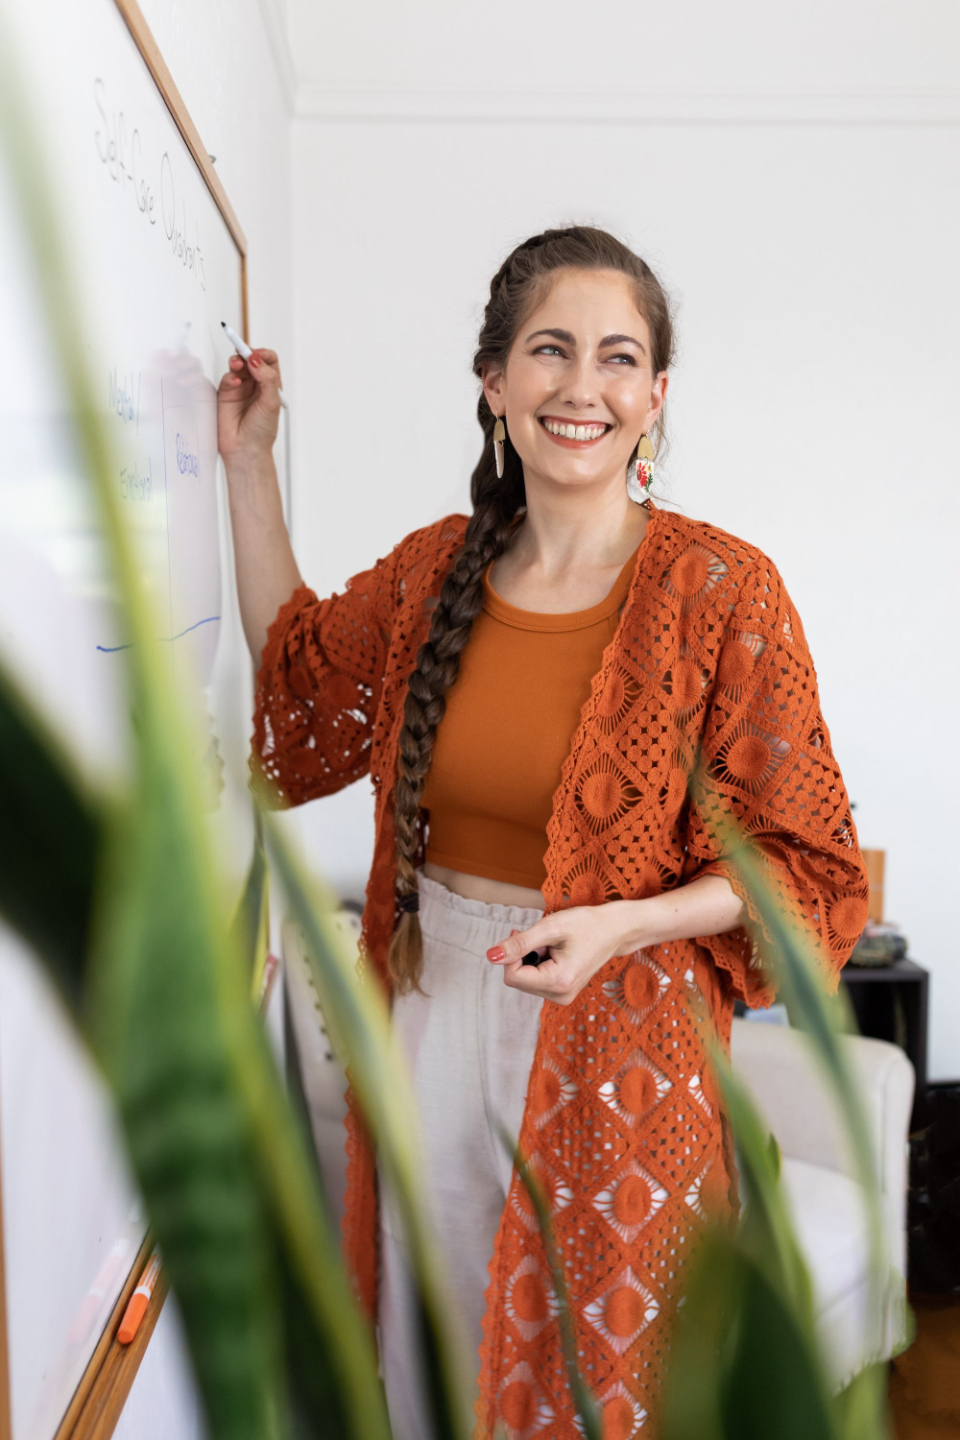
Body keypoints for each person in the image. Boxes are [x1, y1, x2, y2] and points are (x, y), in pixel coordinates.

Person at [218, 225, 870, 1440]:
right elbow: (299, 674)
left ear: (656, 396)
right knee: (434, 1358)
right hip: (429, 1008)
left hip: (626, 1023)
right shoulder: (431, 573)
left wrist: (626, 922)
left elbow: (804, 864)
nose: (583, 387)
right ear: (495, 382)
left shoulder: (724, 591)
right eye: (550, 350)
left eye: (619, 358)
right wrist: (248, 465)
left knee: (608, 1380)